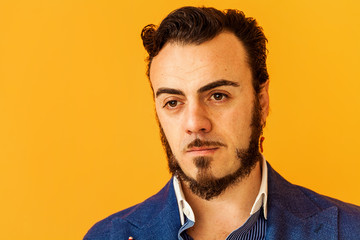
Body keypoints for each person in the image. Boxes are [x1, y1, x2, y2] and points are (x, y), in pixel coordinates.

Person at [84, 6, 360, 240]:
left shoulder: (351, 230)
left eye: (218, 96)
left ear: (261, 102)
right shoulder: (107, 235)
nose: (194, 123)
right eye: (173, 102)